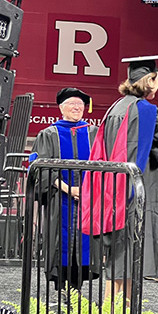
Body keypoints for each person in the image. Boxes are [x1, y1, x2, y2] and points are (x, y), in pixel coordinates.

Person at [81, 55, 158, 301]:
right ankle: (124, 307)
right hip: (138, 189)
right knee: (131, 256)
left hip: (113, 189)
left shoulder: (115, 107)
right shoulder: (147, 110)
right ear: (151, 79)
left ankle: (113, 306)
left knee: (119, 259)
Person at [29, 87, 99, 299]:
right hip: (59, 200)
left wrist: (86, 190)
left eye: (80, 104)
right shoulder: (49, 134)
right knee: (61, 244)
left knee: (84, 246)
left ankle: (77, 292)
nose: (77, 108)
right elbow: (42, 168)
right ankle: (61, 292)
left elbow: (101, 165)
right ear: (61, 108)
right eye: (72, 104)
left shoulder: (93, 133)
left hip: (87, 200)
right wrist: (70, 189)